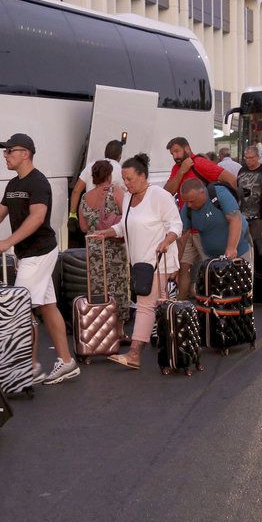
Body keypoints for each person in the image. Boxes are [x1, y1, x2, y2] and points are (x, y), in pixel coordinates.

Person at [0, 133, 79, 385]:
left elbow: (37, 217)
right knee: (47, 306)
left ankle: (29, 368)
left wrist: (8, 242)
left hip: (39, 252)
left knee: (19, 309)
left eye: (10, 151)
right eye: (5, 151)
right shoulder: (13, 185)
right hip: (29, 253)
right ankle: (66, 362)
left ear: (26, 153)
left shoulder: (38, 183)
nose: (5, 155)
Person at [91, 153, 181, 369]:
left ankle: (134, 353)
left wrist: (166, 241)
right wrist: (107, 233)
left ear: (143, 176)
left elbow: (176, 225)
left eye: (129, 178)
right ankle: (171, 348)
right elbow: (124, 225)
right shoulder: (130, 198)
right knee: (154, 307)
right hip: (140, 264)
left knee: (145, 306)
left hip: (158, 261)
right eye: (124, 179)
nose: (126, 183)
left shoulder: (159, 195)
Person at [163, 136, 237, 299]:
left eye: (177, 151)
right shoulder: (178, 168)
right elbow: (167, 192)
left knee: (212, 267)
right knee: (182, 267)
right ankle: (181, 308)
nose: (175, 156)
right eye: (172, 153)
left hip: (206, 228)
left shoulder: (200, 163)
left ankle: (218, 303)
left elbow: (230, 179)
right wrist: (182, 170)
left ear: (187, 149)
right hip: (187, 226)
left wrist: (230, 205)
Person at [78, 159, 130, 326]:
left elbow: (83, 226)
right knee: (118, 287)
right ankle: (119, 329)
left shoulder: (85, 197)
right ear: (109, 175)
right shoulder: (115, 191)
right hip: (113, 247)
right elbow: (127, 217)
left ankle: (102, 327)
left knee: (99, 287)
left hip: (94, 249)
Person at [178, 179, 252, 264]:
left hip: (239, 251)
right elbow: (182, 237)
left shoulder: (219, 193)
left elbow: (235, 219)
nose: (189, 205)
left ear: (202, 193)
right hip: (210, 257)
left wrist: (231, 248)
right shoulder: (187, 209)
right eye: (186, 201)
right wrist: (176, 263)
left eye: (191, 201)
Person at [68, 140, 124, 228]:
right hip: (112, 227)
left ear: (105, 153)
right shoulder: (121, 171)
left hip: (91, 222)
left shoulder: (92, 166)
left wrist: (72, 215)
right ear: (120, 156)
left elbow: (76, 191)